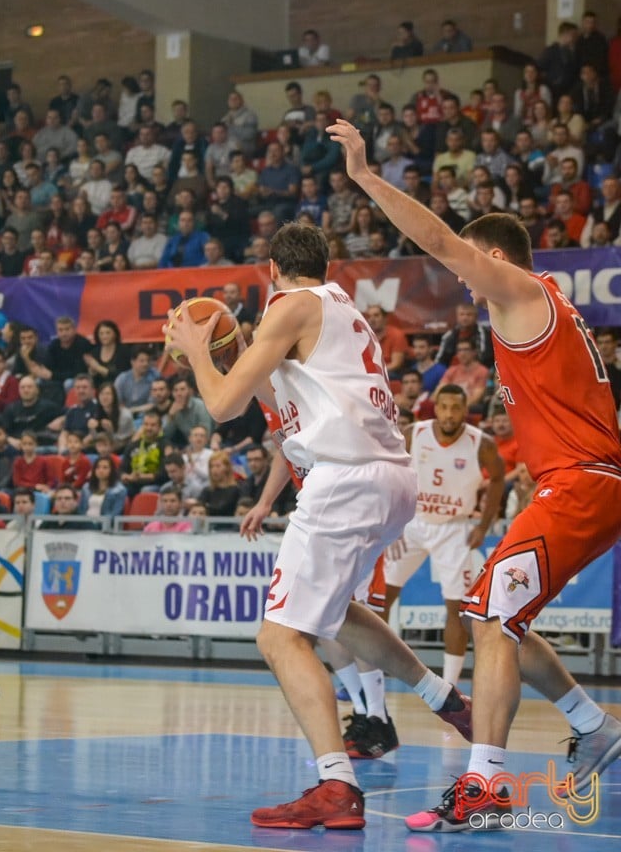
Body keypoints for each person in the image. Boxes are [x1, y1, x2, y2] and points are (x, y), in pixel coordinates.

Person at [328, 117, 621, 830]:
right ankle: (595, 725)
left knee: (489, 615)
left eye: (472, 268)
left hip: (581, 484)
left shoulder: (521, 291)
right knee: (502, 614)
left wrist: (367, 178)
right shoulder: (546, 308)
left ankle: (484, 787)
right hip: (584, 483)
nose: (463, 284)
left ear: (494, 258)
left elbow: (437, 241)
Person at [164, 222, 472, 830]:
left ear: (273, 267)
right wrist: (232, 356)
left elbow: (221, 407)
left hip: (346, 481)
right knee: (332, 614)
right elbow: (281, 411)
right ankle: (442, 696)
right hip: (392, 481)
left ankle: (336, 784)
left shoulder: (290, 306)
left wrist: (199, 352)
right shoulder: (340, 310)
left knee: (279, 637)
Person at [384, 385, 504, 684]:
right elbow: (390, 472)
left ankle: (450, 686)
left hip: (455, 529)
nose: (449, 414)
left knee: (457, 608)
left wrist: (483, 526)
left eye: (456, 408)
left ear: (466, 410)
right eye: (444, 407)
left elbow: (499, 478)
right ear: (435, 408)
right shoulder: (414, 433)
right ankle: (374, 673)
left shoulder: (482, 443)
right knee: (381, 597)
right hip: (412, 522)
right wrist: (392, 522)